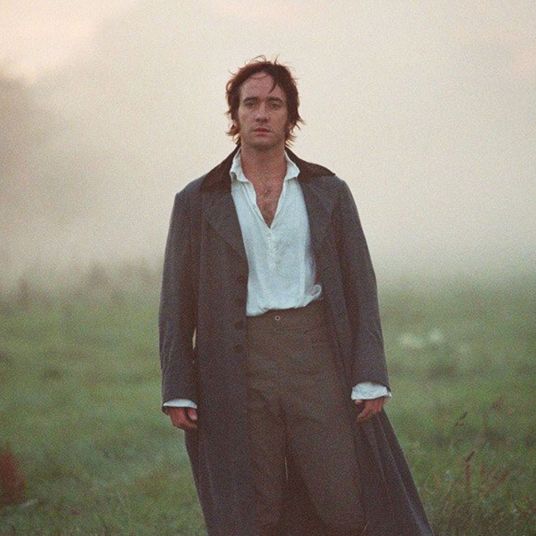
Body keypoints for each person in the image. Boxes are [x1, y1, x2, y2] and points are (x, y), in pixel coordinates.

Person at [159, 57, 434, 536]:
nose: (261, 113)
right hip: (237, 362)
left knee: (343, 498)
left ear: (291, 116)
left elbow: (361, 288)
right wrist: (178, 384)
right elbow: (176, 302)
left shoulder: (328, 191)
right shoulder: (198, 200)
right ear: (235, 114)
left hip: (316, 352)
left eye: (274, 103)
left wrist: (370, 372)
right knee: (254, 506)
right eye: (251, 103)